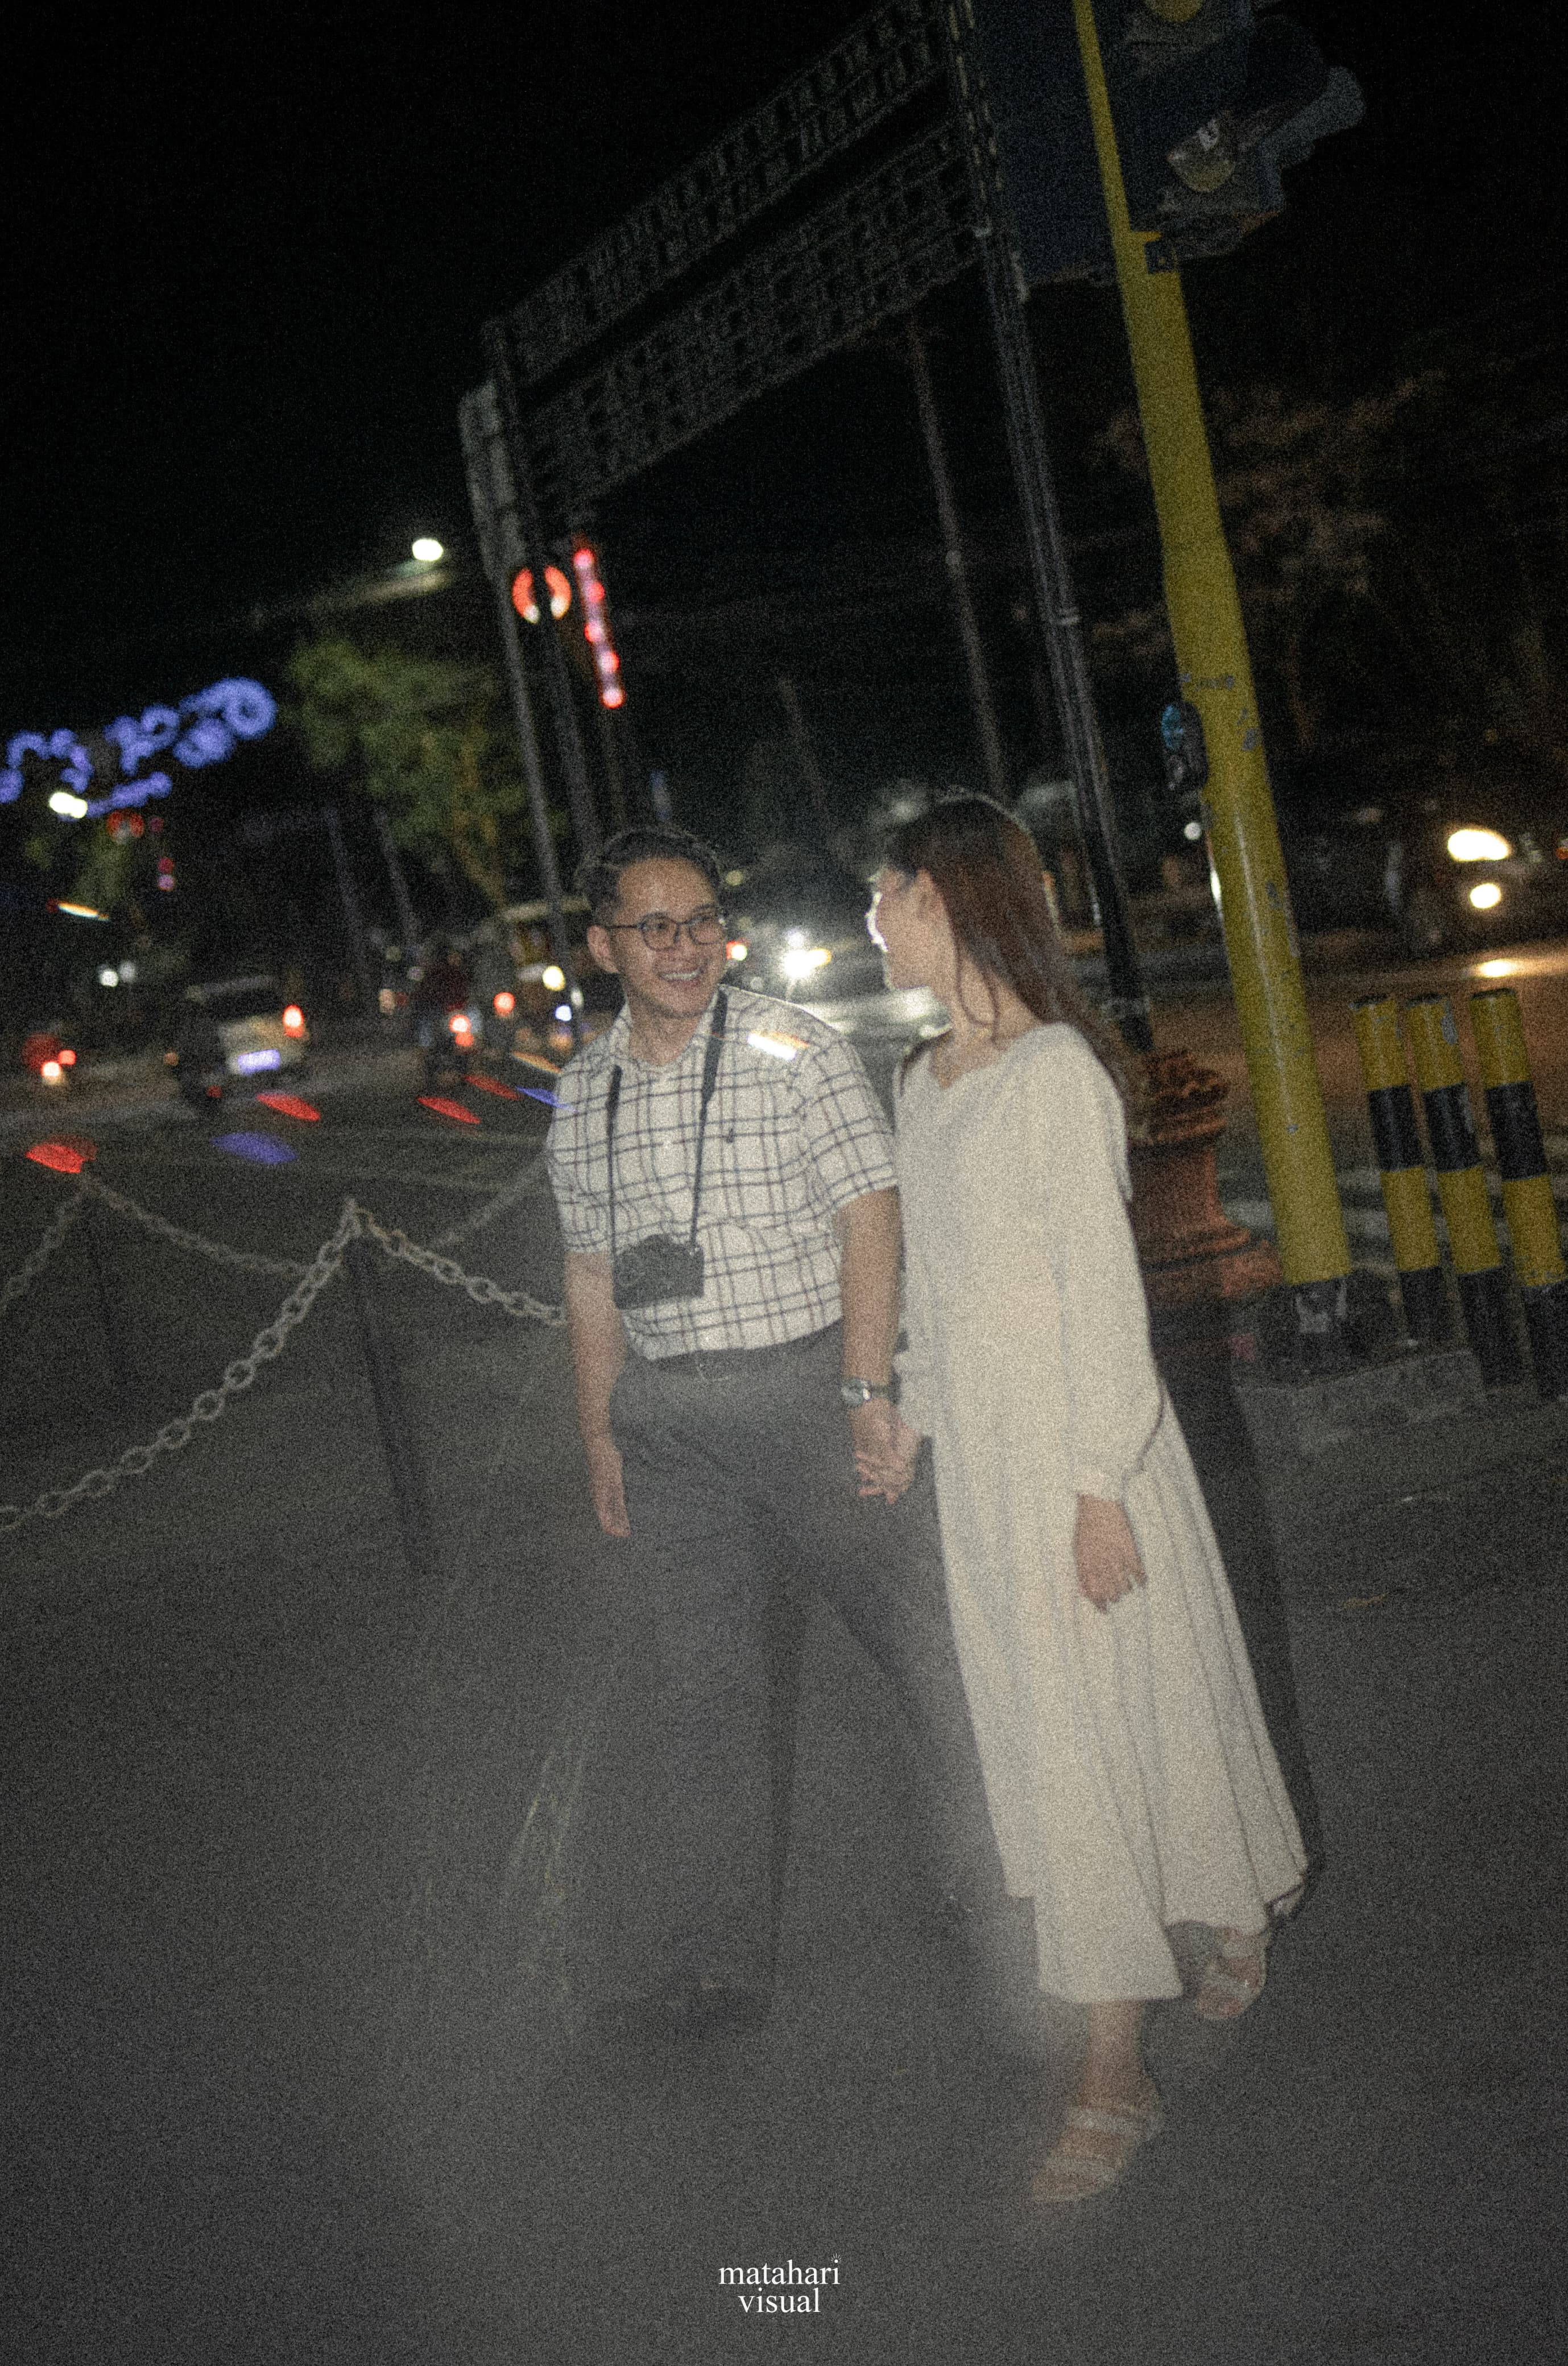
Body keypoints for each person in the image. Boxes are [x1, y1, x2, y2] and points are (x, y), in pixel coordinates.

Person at [859, 796, 1308, 2204]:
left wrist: (1098, 1488)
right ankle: (1241, 1888)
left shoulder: (1055, 1076)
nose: (873, 920)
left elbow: (1105, 1301)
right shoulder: (922, 1079)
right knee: (1117, 1708)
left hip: (1078, 1452)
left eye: (885, 893)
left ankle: (1113, 2073)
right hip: (985, 1475)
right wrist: (910, 1415)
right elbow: (934, 1286)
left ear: (943, 897)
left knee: (1088, 1731)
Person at [543, 824, 1010, 2038]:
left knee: (924, 1646)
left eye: (702, 920)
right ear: (602, 946)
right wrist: (601, 1434)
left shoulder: (793, 1051)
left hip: (808, 1397)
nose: (685, 946)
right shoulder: (582, 1091)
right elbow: (589, 1276)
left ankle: (1012, 1872)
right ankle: (719, 1963)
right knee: (704, 1698)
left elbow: (871, 1214)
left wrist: (863, 1392)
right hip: (671, 1427)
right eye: (655, 927)